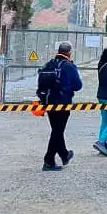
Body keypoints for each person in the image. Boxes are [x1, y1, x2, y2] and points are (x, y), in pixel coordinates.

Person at [39, 42, 82, 172]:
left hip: (48, 102)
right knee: (57, 131)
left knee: (57, 130)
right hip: (62, 103)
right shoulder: (69, 66)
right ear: (69, 52)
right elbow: (78, 85)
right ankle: (48, 161)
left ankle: (64, 155)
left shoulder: (49, 64)